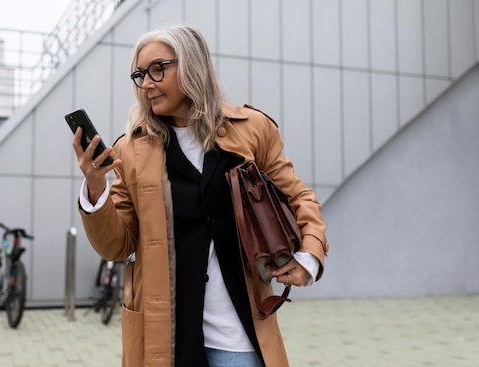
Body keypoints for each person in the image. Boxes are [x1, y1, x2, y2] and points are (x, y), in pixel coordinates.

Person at [72, 25, 329, 367]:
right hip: (166, 340)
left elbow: (299, 197)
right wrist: (95, 188)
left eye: (158, 69)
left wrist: (309, 257)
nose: (147, 83)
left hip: (238, 339)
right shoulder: (130, 150)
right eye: (140, 74)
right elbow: (116, 246)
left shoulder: (252, 130)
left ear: (193, 66)